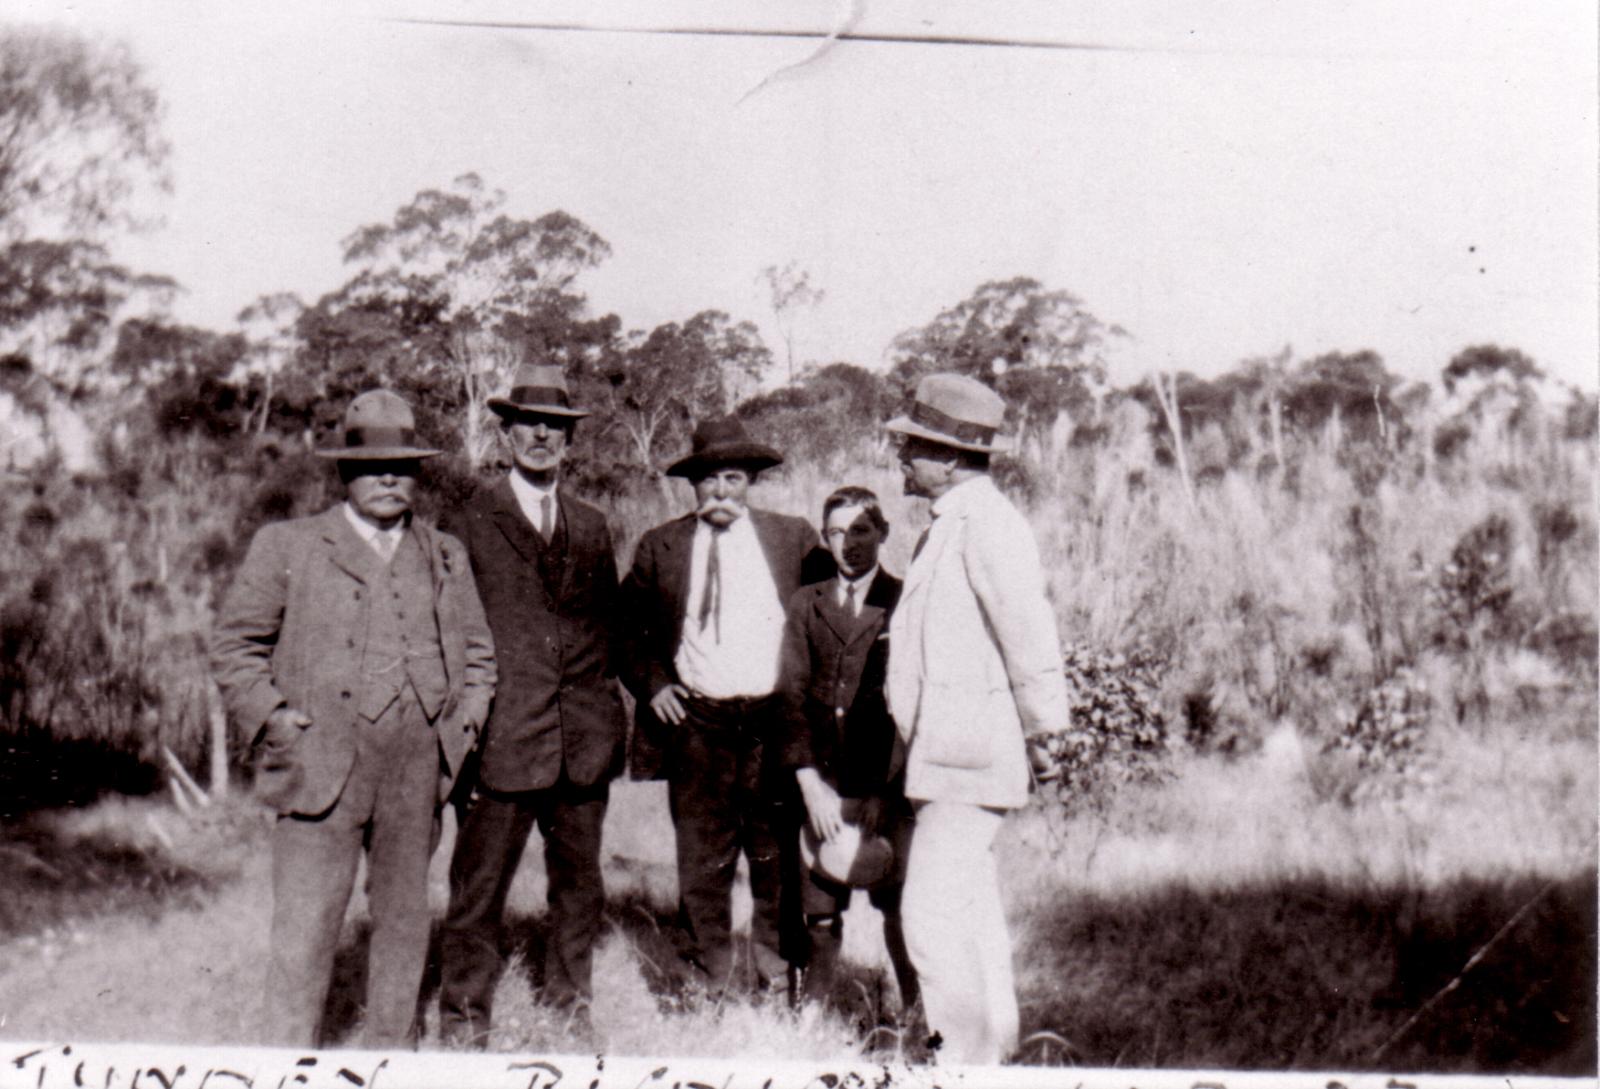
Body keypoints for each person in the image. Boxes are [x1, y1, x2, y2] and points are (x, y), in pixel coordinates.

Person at [210, 389, 496, 1048]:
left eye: (402, 465)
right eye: (374, 465)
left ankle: (389, 1057)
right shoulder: (290, 544)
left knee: (403, 923)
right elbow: (234, 647)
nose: (391, 477)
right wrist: (277, 719)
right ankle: (285, 1063)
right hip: (321, 766)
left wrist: (460, 731)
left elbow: (479, 655)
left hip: (415, 769)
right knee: (304, 932)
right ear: (346, 472)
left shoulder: (444, 552)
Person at [436, 364, 626, 1047]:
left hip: (582, 742)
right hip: (502, 740)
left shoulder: (594, 524)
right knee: (478, 890)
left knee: (580, 888)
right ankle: (463, 1019)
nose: (542, 437)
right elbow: (449, 629)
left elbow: (607, 628)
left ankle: (570, 1005)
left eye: (556, 428)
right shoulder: (466, 520)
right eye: (529, 426)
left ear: (570, 442)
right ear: (506, 433)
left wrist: (608, 713)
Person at [884, 373, 1069, 1065]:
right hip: (951, 754)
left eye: (916, 444)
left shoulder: (988, 523)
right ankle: (996, 1056)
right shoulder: (953, 523)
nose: (903, 455)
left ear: (952, 457)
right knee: (971, 911)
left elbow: (1029, 627)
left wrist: (1047, 728)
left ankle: (958, 1065)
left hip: (969, 757)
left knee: (927, 916)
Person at [621, 417, 832, 995]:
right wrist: (654, 684)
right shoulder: (661, 546)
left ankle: (777, 974)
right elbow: (623, 628)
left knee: (776, 860)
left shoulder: (793, 539)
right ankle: (703, 983)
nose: (720, 492)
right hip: (698, 724)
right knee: (701, 861)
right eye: (709, 480)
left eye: (733, 478)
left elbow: (829, 620)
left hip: (771, 723)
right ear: (693, 485)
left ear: (751, 482)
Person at [776, 486, 919, 1014]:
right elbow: (789, 695)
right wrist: (808, 780)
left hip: (885, 786)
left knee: (900, 906)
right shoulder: (807, 603)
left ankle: (919, 1018)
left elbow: (914, 702)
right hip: (824, 788)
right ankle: (811, 1017)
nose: (848, 544)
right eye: (836, 532)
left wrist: (889, 787)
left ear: (883, 532)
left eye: (860, 530)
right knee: (819, 909)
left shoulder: (906, 599)